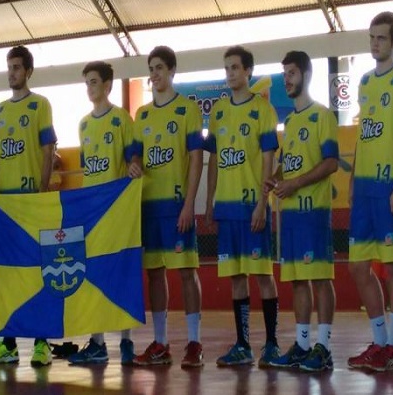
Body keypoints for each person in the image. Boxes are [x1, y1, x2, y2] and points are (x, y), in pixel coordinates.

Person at [0, 46, 57, 367]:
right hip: (5, 206)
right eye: (9, 67)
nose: (12, 73)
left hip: (31, 203)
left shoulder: (40, 105)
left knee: (39, 275)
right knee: (8, 276)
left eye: (17, 67)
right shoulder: (0, 110)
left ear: (28, 71)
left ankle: (41, 344)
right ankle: (7, 345)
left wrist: (43, 189)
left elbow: (49, 148)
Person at [347, 12, 393, 372]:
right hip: (363, 190)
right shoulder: (364, 82)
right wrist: (351, 180)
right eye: (371, 37)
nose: (375, 43)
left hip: (389, 187)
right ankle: (378, 342)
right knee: (358, 266)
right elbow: (364, 133)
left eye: (381, 38)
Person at [203, 46, 281, 368]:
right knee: (235, 277)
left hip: (253, 208)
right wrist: (209, 204)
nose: (230, 73)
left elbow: (269, 161)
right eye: (227, 68)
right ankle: (242, 344)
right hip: (227, 208)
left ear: (248, 71)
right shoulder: (218, 112)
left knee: (262, 274)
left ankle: (273, 343)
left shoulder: (264, 111)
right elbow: (214, 163)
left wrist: (263, 204)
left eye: (235, 67)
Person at [130, 46, 205, 368]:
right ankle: (160, 342)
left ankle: (194, 342)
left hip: (176, 205)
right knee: (154, 273)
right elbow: (134, 154)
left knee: (187, 272)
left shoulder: (187, 109)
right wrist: (134, 164)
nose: (154, 74)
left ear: (172, 70)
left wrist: (189, 203)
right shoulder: (142, 115)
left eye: (160, 67)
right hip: (149, 205)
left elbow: (196, 159)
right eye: (151, 68)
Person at [265, 51, 339, 372]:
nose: (287, 79)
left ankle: (323, 347)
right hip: (290, 216)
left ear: (306, 74)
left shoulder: (322, 115)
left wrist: (295, 183)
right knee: (296, 280)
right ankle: (302, 344)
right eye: (284, 74)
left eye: (292, 73)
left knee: (320, 277)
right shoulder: (291, 121)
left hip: (313, 211)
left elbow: (330, 163)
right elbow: (290, 163)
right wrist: (277, 178)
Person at [67, 61, 140, 365]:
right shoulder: (83, 124)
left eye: (94, 82)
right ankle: (97, 343)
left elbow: (133, 155)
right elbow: (87, 168)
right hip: (91, 211)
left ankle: (126, 340)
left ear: (108, 85)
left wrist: (135, 165)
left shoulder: (122, 119)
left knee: (120, 272)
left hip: (117, 210)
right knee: (92, 273)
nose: (90, 88)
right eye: (87, 83)